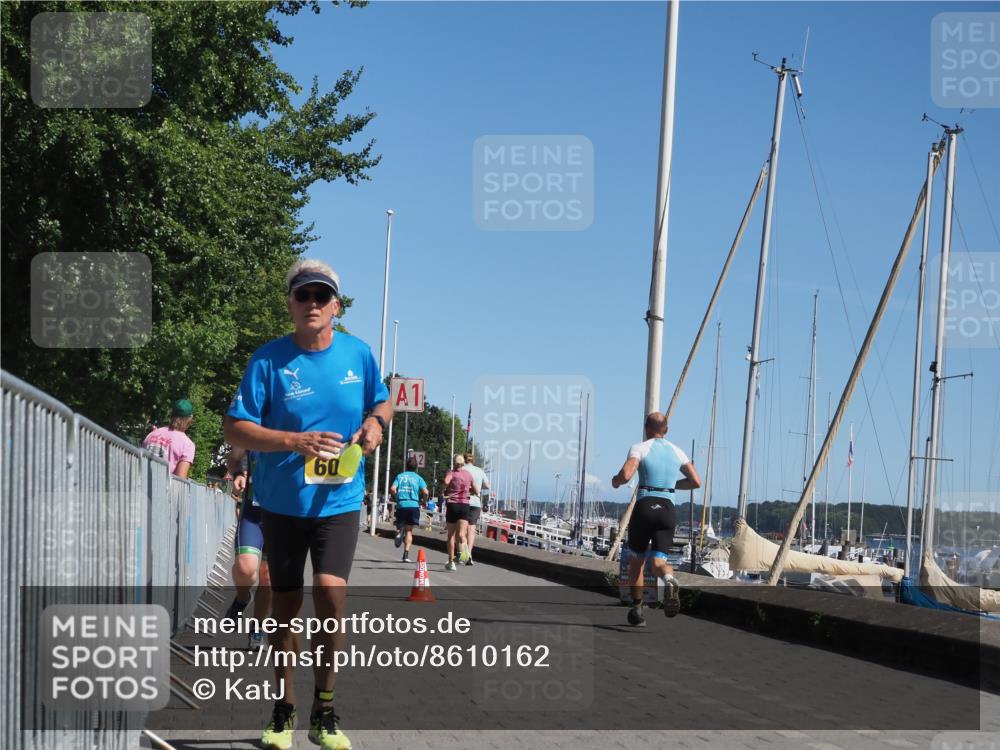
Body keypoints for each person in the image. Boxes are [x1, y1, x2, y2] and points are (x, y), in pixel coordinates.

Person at [225, 259, 391, 750]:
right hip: (281, 502)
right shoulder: (268, 361)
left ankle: (325, 709)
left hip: (340, 500)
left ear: (336, 306)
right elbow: (236, 428)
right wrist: (292, 441)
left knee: (332, 596)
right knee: (285, 606)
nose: (313, 304)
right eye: (304, 296)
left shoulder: (358, 355)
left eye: (322, 296)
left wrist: (377, 424)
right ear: (291, 305)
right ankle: (283, 711)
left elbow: (381, 402)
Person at [611, 412, 701, 627]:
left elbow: (625, 475)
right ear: (666, 430)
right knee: (659, 562)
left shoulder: (640, 448)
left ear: (646, 428)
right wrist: (670, 485)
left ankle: (638, 609)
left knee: (637, 562)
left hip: (645, 507)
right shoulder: (678, 451)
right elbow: (696, 481)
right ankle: (669, 580)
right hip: (667, 510)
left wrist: (615, 482)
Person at [223, 446, 271, 650]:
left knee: (268, 577)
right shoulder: (257, 421)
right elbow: (236, 453)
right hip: (254, 511)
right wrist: (238, 473)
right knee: (245, 568)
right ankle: (242, 599)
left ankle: (258, 629)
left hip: (284, 517)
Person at [142, 399, 196, 478]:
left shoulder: (152, 434)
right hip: (163, 488)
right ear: (189, 420)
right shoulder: (187, 445)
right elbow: (180, 480)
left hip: (140, 485)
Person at [390, 455, 429, 562]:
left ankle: (398, 532)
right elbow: (426, 492)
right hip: (413, 505)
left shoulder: (400, 476)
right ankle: (406, 555)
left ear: (406, 466)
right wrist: (424, 501)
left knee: (400, 526)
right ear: (416, 467)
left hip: (402, 504)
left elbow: (393, 489)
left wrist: (397, 497)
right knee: (409, 531)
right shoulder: (418, 478)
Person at [442, 454, 474, 571]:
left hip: (453, 504)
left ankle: (451, 562)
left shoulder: (451, 473)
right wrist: (471, 490)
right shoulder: (468, 474)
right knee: (461, 535)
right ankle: (467, 554)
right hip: (465, 505)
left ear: (454, 463)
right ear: (463, 463)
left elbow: (446, 482)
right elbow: (476, 489)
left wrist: (445, 487)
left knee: (450, 535)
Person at [462, 452, 490, 566]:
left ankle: (462, 552)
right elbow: (488, 486)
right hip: (476, 502)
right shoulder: (479, 471)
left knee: (461, 529)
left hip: (463, 501)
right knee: (472, 529)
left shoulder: (461, 469)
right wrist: (479, 486)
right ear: (473, 460)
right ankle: (469, 554)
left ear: (464, 460)